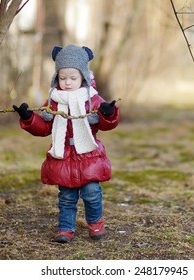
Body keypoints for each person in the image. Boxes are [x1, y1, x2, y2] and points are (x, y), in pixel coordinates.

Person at [13, 45, 120, 243]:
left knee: (92, 193)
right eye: (63, 78)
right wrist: (29, 118)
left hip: (88, 157)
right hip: (63, 156)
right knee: (67, 197)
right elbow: (44, 128)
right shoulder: (53, 102)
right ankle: (65, 229)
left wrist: (108, 114)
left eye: (73, 78)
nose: (67, 83)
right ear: (57, 78)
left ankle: (96, 223)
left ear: (83, 77)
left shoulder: (92, 99)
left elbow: (107, 125)